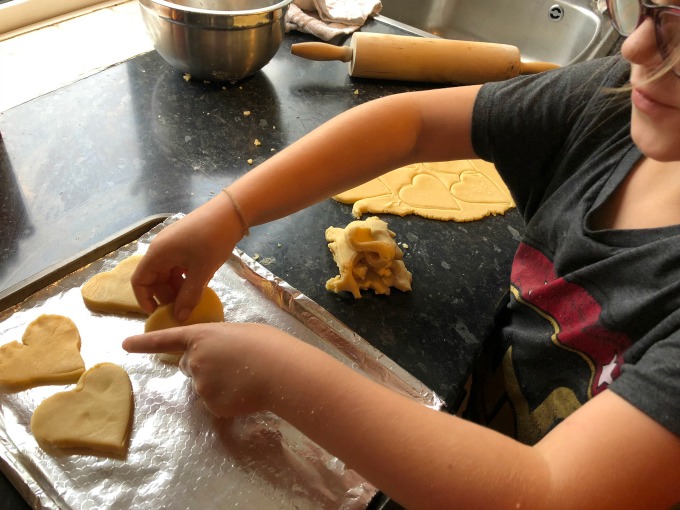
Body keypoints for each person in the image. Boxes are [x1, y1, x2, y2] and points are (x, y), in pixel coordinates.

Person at [123, 0, 680, 507]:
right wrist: (230, 212)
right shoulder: (609, 105)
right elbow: (410, 125)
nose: (634, 47)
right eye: (644, 7)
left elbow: (548, 491)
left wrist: (279, 376)